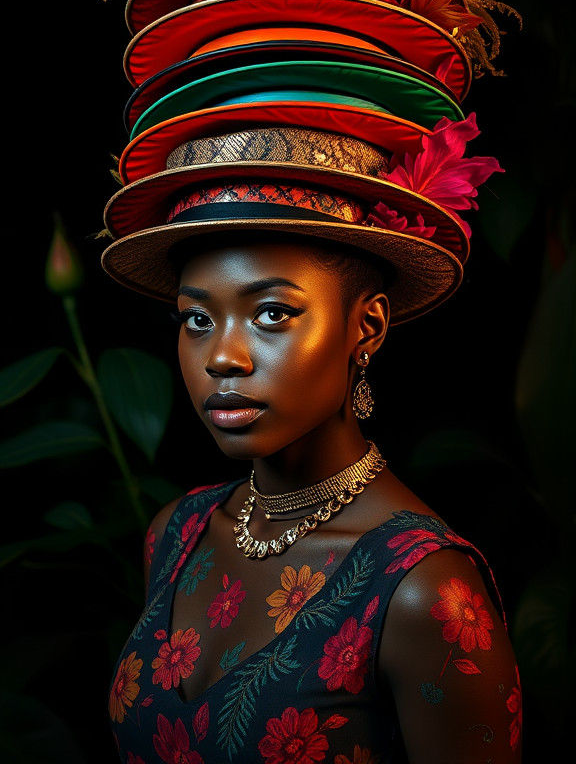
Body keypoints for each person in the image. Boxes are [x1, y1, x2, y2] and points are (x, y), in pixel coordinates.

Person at [107, 231, 522, 764]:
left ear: (367, 326)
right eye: (198, 320)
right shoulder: (178, 531)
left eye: (272, 314)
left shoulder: (422, 589)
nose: (222, 358)